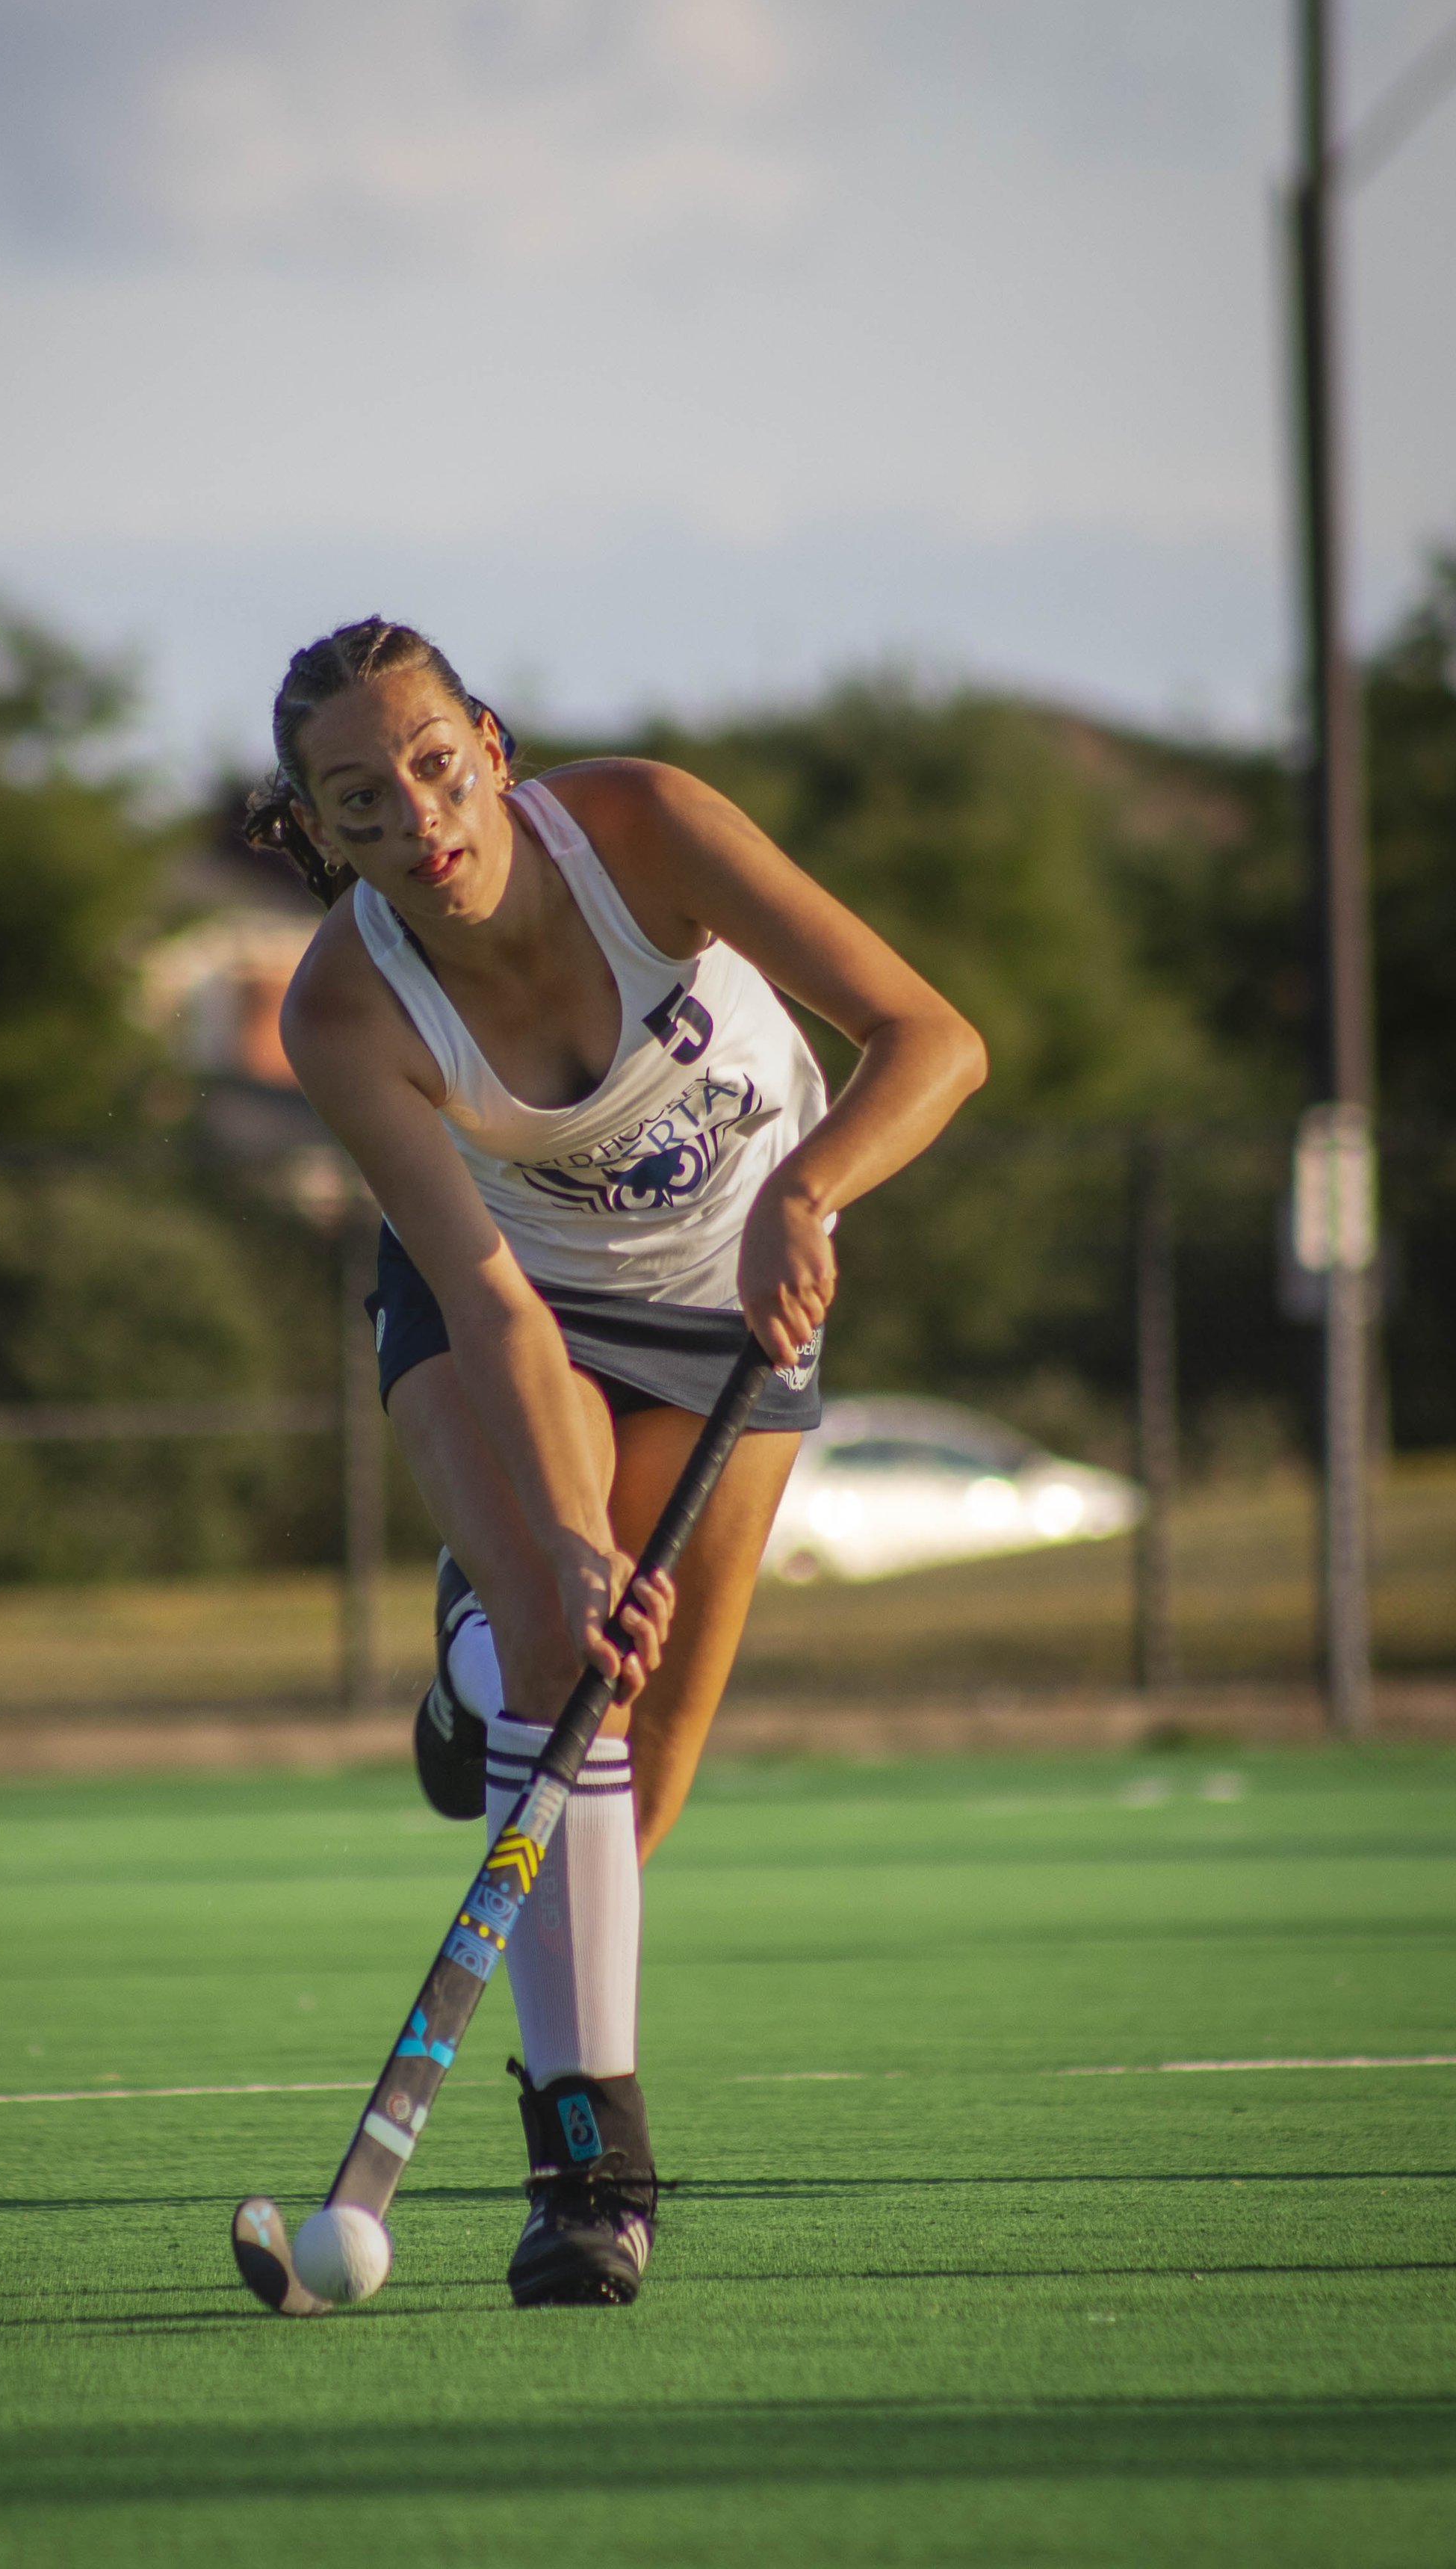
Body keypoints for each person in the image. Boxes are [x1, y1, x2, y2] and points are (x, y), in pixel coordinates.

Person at [244, 617, 985, 2307]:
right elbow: (492, 1301)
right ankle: (591, 2171)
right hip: (510, 1307)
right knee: (562, 1651)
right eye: (359, 800)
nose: (416, 813)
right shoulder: (347, 1006)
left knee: (635, 1782)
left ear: (489, 742)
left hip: (737, 1300)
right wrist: (569, 1539)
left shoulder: (641, 827)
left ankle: (468, 1679)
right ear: (323, 832)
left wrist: (805, 1192)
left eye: (433, 761)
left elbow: (930, 1037)